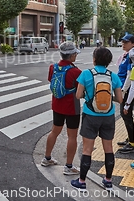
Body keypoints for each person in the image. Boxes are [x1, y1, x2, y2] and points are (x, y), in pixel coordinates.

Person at [71, 47, 123, 190]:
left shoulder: (86, 74)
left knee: (87, 149)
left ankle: (81, 182)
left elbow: (77, 95)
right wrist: (107, 98)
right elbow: (120, 99)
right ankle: (108, 180)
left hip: (90, 115)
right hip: (108, 116)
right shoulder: (113, 76)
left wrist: (91, 97)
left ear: (94, 59)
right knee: (108, 148)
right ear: (109, 61)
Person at [41, 42, 82, 175]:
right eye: (75, 53)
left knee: (54, 131)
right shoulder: (76, 72)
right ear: (71, 56)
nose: (76, 55)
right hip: (72, 107)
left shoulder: (53, 67)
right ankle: (69, 166)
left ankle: (47, 158)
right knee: (72, 136)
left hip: (57, 104)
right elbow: (81, 91)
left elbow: (51, 81)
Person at [117, 33, 134, 153]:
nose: (123, 44)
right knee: (125, 115)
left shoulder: (132, 55)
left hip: (127, 90)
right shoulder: (127, 54)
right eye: (123, 42)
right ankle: (130, 139)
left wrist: (123, 91)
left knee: (126, 114)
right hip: (124, 89)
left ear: (133, 43)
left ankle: (132, 143)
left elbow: (129, 76)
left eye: (126, 42)